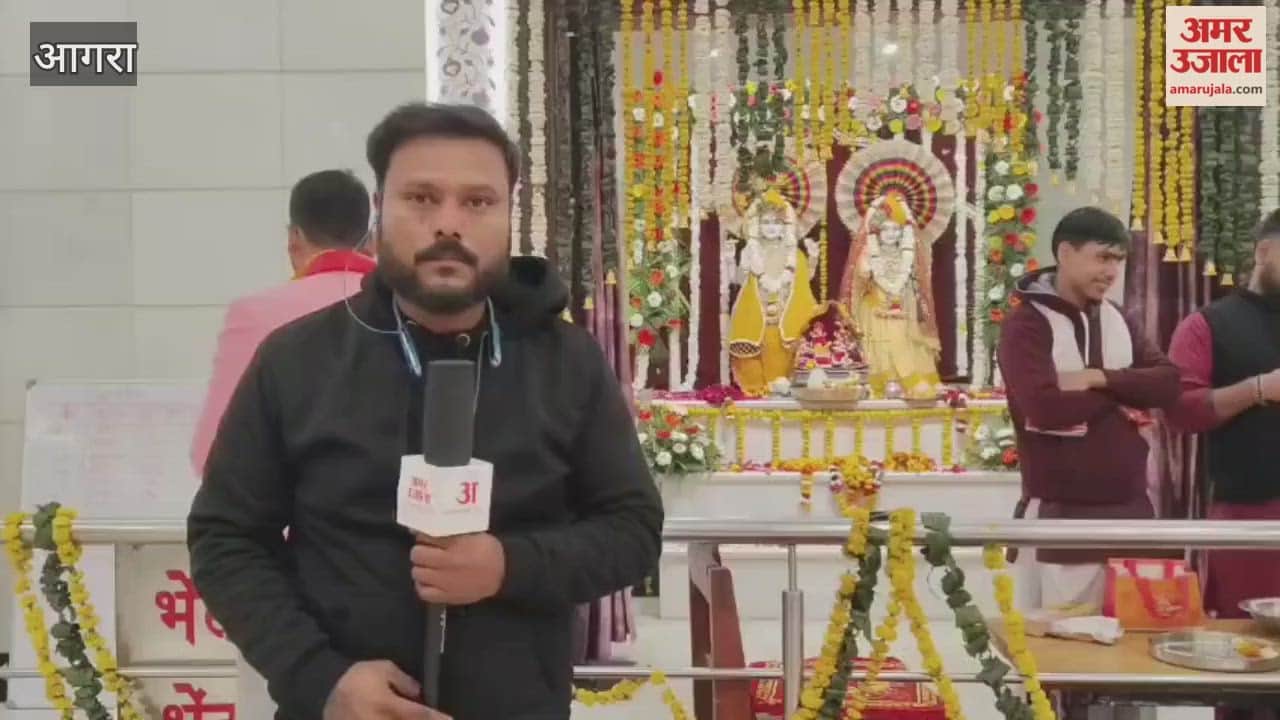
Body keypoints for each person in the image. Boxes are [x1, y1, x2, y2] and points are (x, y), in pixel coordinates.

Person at [187, 102, 663, 720]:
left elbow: (632, 529)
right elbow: (226, 536)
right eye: (420, 198)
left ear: (509, 214)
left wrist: (508, 565)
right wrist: (320, 677)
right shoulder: (297, 359)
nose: (448, 225)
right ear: (379, 210)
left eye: (478, 202)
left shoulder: (566, 361)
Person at [998, 207, 1181, 611]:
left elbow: (1168, 383)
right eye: (1103, 257)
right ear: (1065, 253)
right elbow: (1045, 408)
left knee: (1136, 639)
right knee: (1067, 644)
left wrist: (1098, 378)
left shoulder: (1118, 319)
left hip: (1132, 512)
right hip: (1065, 517)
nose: (1112, 271)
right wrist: (1126, 391)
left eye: (1118, 260)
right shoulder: (1027, 325)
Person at [190, 169, 376, 474]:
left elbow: (211, 451)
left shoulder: (255, 314)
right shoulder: (407, 306)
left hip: (292, 503)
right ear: (370, 240)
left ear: (295, 239)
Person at [1165, 210, 1280, 621]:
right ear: (1263, 252)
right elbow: (1180, 411)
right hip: (1249, 515)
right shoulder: (1207, 325)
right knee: (1249, 639)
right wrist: (1259, 389)